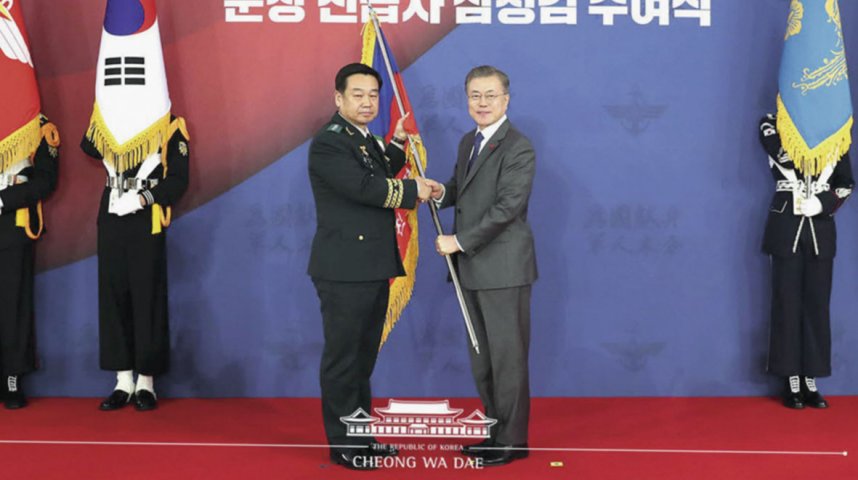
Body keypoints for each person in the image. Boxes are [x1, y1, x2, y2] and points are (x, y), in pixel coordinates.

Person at [307, 63, 433, 470]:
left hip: (372, 266)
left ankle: (361, 437)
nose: (367, 102)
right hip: (344, 268)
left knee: (363, 362)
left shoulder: (361, 139)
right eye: (357, 94)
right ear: (338, 99)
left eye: (373, 95)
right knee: (344, 360)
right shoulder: (329, 142)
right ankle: (344, 445)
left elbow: (376, 170)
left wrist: (395, 144)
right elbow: (364, 187)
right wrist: (415, 189)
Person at [81, 0, 190, 412]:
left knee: (147, 294)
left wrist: (145, 197)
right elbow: (88, 144)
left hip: (145, 214)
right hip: (110, 208)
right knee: (113, 293)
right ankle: (121, 379)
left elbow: (179, 179)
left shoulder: (170, 127)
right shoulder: (109, 118)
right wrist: (110, 110)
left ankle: (146, 380)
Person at [431, 65, 537, 466]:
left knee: (507, 361)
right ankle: (495, 435)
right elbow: (459, 190)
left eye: (490, 95)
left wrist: (458, 241)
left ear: (506, 99)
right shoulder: (468, 142)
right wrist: (437, 191)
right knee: (484, 361)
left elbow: (507, 208)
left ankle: (512, 442)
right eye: (475, 95)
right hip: (471, 270)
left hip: (503, 269)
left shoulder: (518, 147)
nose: (482, 103)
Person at [759, 114, 853, 409]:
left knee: (816, 305)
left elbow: (846, 182)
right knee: (786, 303)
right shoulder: (774, 123)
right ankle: (790, 378)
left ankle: (810, 377)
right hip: (787, 226)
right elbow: (785, 156)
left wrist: (823, 204)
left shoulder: (835, 131)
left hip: (820, 230)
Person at [0, 1, 60, 409]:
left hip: (12, 223)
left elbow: (46, 179)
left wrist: (4, 197)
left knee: (13, 303)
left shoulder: (33, 124)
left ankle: (11, 377)